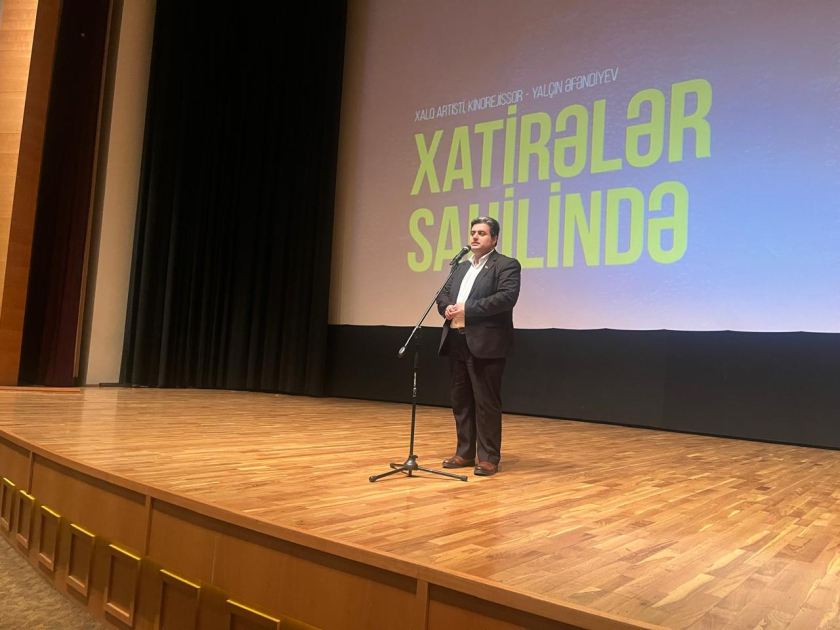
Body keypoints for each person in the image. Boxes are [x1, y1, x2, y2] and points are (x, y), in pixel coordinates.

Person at [436, 217, 521, 476]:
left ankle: (488, 457)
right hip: (456, 339)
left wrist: (467, 308)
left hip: (486, 343)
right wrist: (447, 308)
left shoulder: (505, 265)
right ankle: (464, 453)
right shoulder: (461, 267)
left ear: (494, 239)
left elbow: (506, 298)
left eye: (481, 233)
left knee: (486, 402)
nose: (474, 237)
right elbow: (443, 295)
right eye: (473, 232)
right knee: (461, 400)